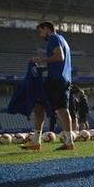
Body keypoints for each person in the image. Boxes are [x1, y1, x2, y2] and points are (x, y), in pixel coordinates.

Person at [31, 21, 76, 151]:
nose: (41, 35)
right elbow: (58, 61)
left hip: (57, 80)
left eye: (40, 31)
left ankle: (68, 142)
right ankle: (36, 141)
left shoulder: (53, 38)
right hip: (60, 78)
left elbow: (59, 57)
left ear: (46, 29)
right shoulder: (62, 39)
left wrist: (41, 59)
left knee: (61, 109)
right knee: (40, 105)